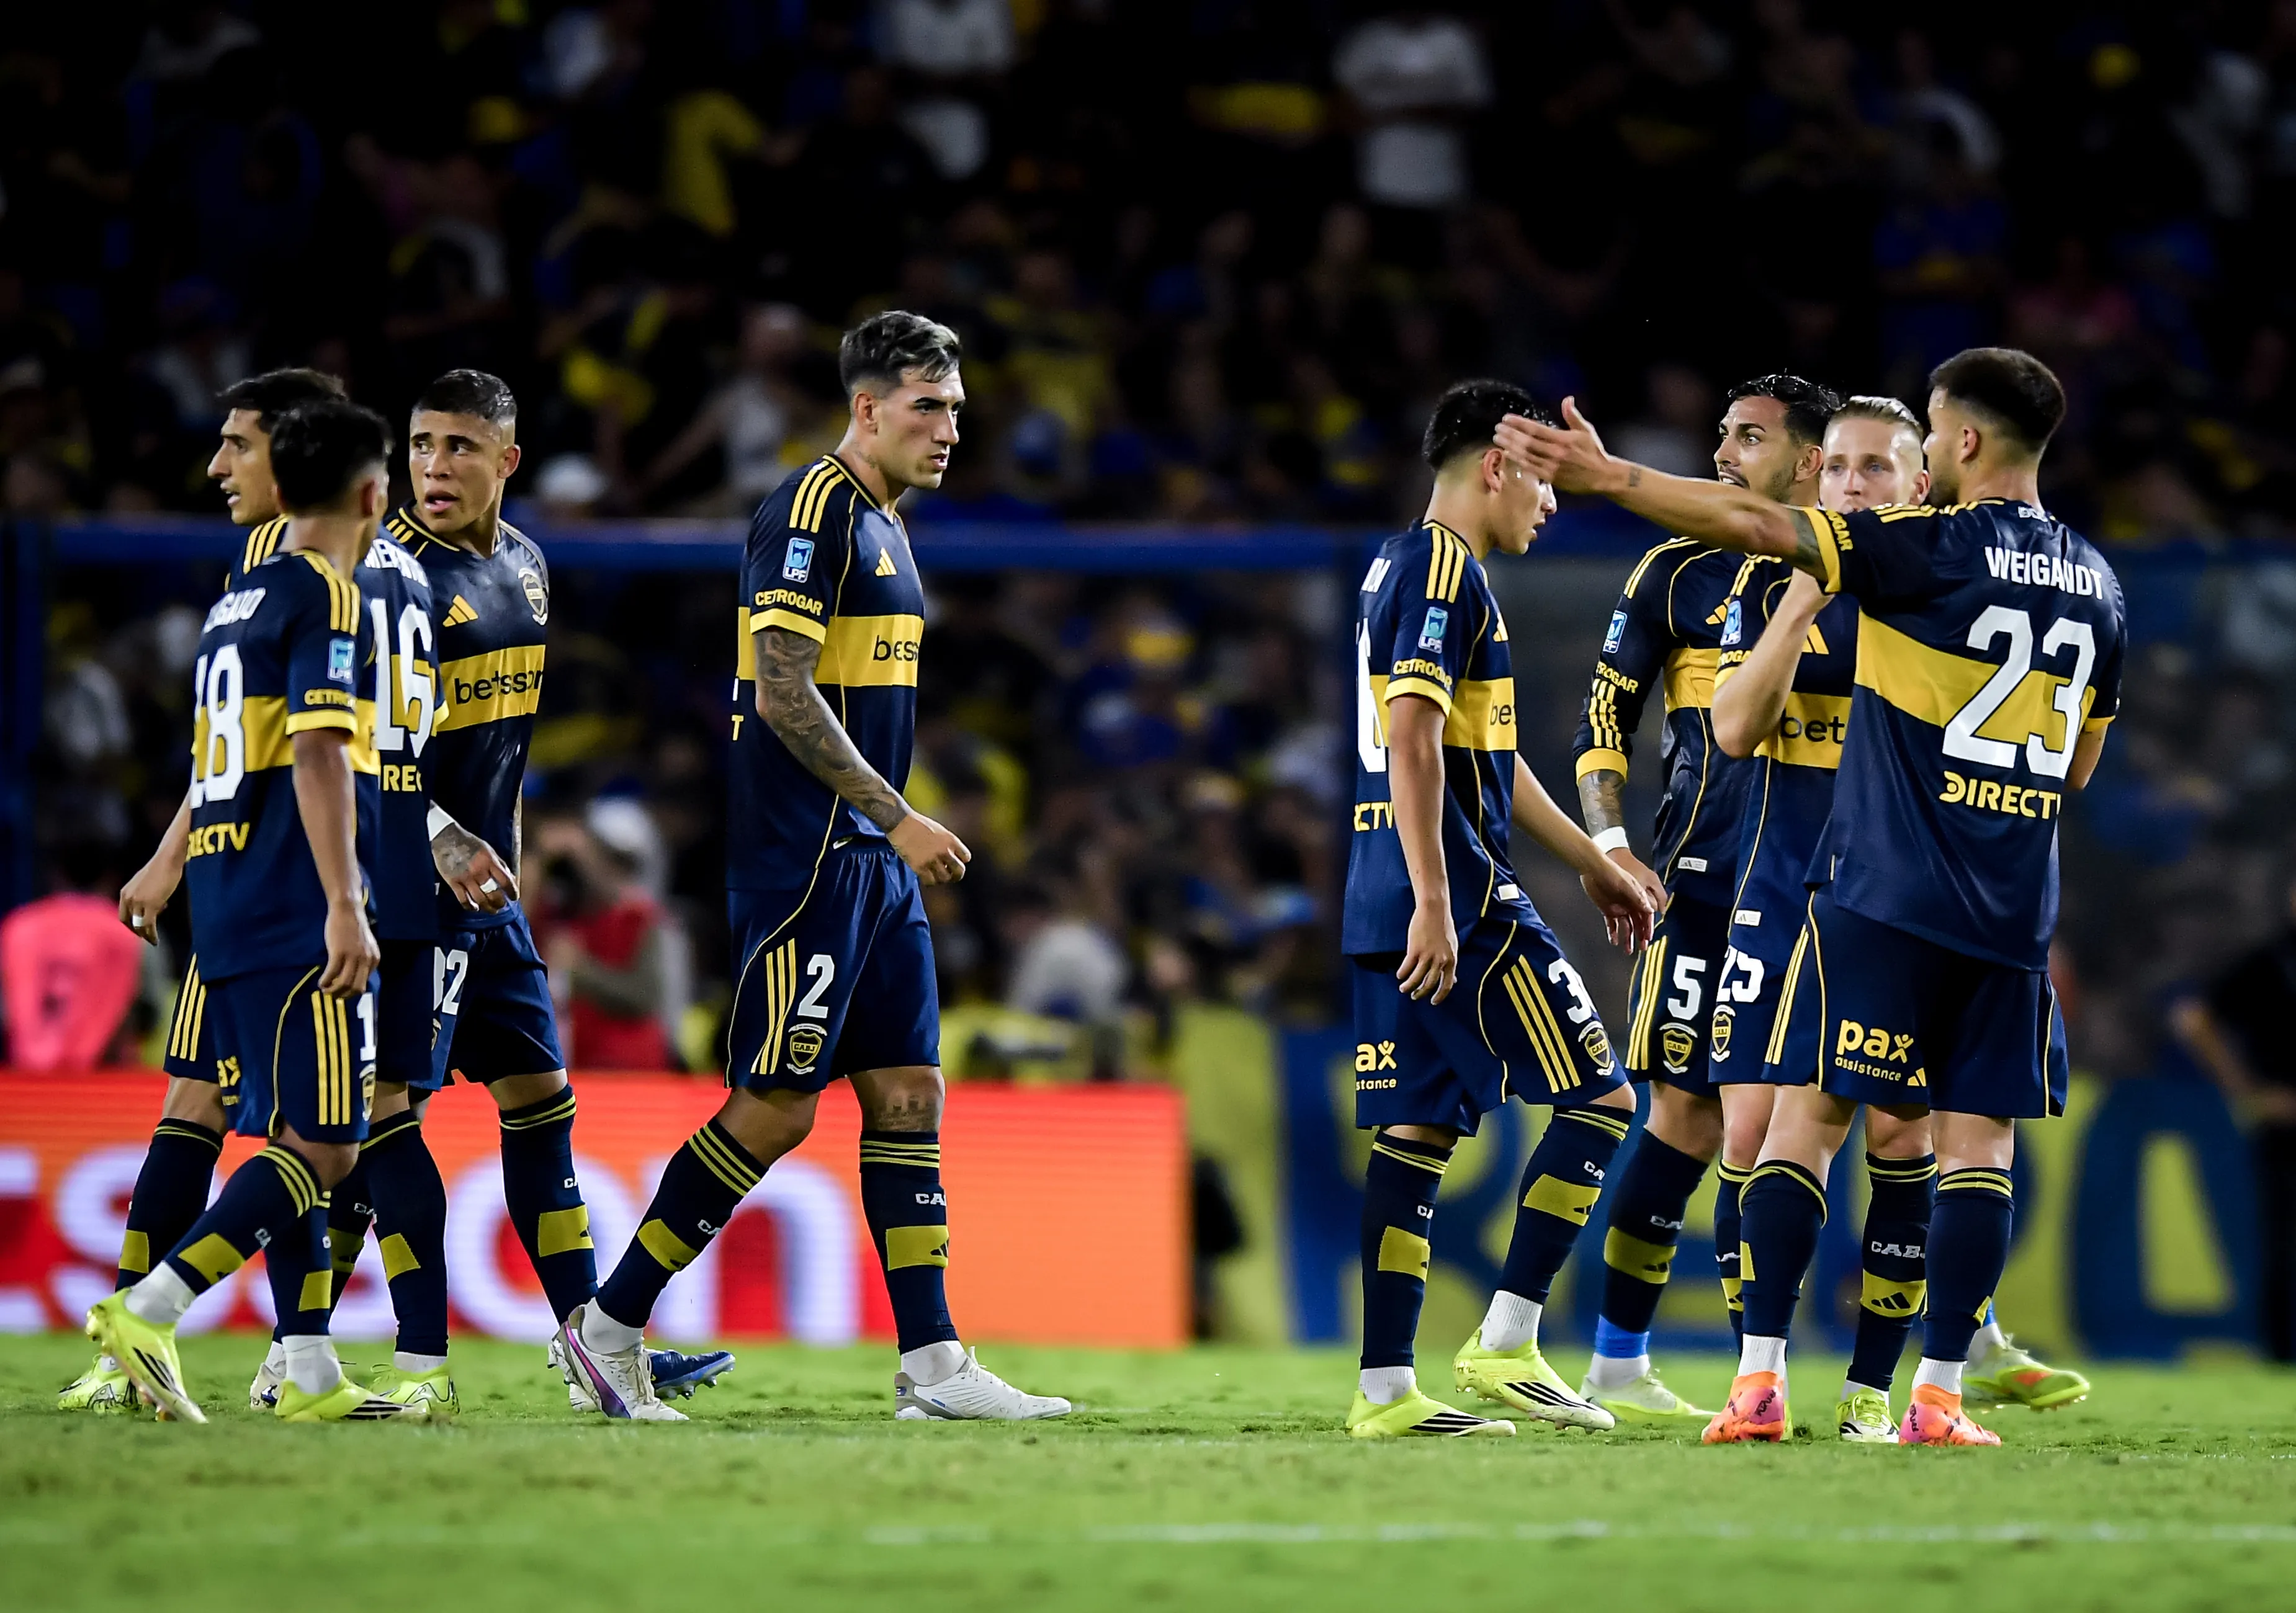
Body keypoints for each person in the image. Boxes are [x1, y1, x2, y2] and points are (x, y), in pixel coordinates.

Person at [1505, 347, 2125, 1447]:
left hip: (1882, 888)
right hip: (2010, 907)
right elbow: (2078, 768)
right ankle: (1938, 1394)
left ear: (1956, 445)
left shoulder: (1916, 549)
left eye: (1907, 447)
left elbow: (1754, 525)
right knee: (1972, 1148)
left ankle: (1763, 1379)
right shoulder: (2102, 583)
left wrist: (1609, 480)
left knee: (1807, 1124)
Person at [558, 311, 1068, 1422]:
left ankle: (935, 1363)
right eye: (928, 407)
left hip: (870, 864)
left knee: (910, 1092)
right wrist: (898, 815)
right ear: (866, 408)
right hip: (809, 861)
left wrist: (890, 832)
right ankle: (607, 1327)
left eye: (957, 410)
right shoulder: (808, 513)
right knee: (776, 1107)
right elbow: (784, 691)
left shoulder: (890, 526)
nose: (949, 430)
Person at [374, 370, 730, 1410]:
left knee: (541, 1098)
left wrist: (511, 866)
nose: (435, 466)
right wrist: (440, 839)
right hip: (409, 888)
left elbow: (507, 749)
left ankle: (590, 1347)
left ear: (508, 459)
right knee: (389, 1115)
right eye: (422, 444)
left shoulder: (527, 567)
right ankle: (399, 1361)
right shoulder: (390, 575)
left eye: (458, 446)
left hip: (492, 894)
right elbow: (361, 751)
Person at [1341, 379, 1658, 1439]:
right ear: (1496, 465)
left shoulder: (1396, 564)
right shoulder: (1445, 572)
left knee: (1419, 1129)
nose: (1553, 501)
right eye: (1544, 478)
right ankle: (1509, 1341)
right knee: (1601, 1100)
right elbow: (1414, 739)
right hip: (1457, 894)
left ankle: (1385, 1392)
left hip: (1384, 888)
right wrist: (1440, 899)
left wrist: (1590, 860)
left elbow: (1485, 754)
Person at [86, 398, 413, 1423]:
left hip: (227, 900)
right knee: (328, 1145)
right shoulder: (327, 594)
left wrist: (176, 862)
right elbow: (318, 751)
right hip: (289, 901)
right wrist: (346, 903)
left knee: (285, 1132)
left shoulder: (237, 602)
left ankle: (307, 1370)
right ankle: (150, 1308)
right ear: (374, 493)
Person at [1568, 373, 1838, 1427]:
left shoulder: (1866, 573)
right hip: (1703, 883)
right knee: (1686, 1118)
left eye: (1750, 438)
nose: (1723, 453)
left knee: (1785, 1126)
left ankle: (1768, 1374)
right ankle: (1620, 1361)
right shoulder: (1675, 570)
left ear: (1809, 460)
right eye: (1723, 434)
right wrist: (1611, 842)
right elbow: (1605, 715)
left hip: (1826, 889)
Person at [2171, 880, 2296, 1362]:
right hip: (2284, 1125)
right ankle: (2282, 1353)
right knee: (2282, 1241)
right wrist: (2246, 1089)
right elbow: (2194, 1019)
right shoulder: (2269, 961)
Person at [0, 850, 146, 1070]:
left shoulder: (19, 926)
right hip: (103, 1077)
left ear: (55, 875)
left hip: (21, 1076)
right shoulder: (131, 931)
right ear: (112, 878)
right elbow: (149, 1009)